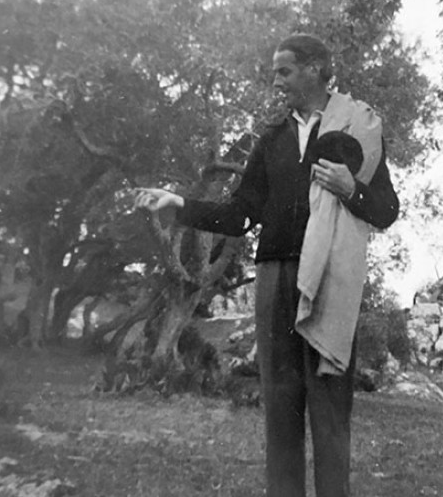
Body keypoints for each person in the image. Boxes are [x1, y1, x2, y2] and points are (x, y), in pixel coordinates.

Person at [134, 34, 399, 497]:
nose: (276, 81)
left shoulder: (357, 128)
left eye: (284, 71)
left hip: (332, 280)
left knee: (330, 408)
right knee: (280, 404)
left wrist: (349, 186)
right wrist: (180, 204)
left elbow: (386, 210)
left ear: (315, 68)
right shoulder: (272, 139)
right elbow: (240, 213)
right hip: (275, 276)